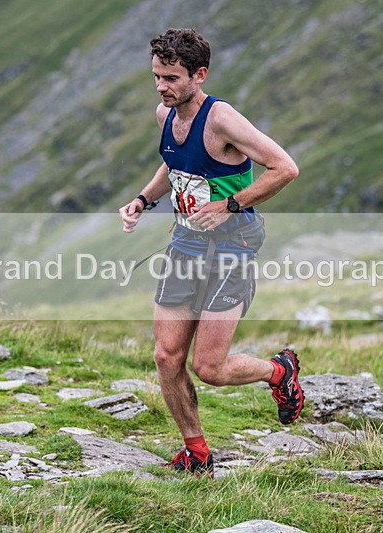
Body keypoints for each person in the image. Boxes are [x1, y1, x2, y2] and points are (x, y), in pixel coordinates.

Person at [118, 28, 303, 477]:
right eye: (157, 76)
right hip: (186, 242)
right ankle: (196, 451)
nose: (162, 86)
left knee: (210, 367)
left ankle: (278, 373)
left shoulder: (222, 119)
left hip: (232, 246)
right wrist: (144, 199)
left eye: (172, 78)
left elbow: (285, 168)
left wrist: (230, 204)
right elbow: (176, 163)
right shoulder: (164, 114)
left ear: (199, 75)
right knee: (166, 356)